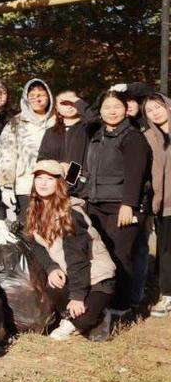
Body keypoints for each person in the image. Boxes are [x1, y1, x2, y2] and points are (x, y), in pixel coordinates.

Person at [22, 160, 116, 340]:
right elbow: (34, 244)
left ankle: (98, 314)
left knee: (83, 321)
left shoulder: (70, 214)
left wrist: (78, 297)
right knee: (51, 285)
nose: (42, 183)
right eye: (39, 178)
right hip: (71, 273)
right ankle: (81, 315)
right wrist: (51, 268)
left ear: (60, 183)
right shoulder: (36, 209)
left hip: (97, 277)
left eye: (49, 179)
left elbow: (77, 259)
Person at [83, 89, 150, 314]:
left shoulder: (132, 137)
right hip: (96, 202)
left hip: (121, 205)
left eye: (117, 106)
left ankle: (122, 305)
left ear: (126, 109)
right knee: (103, 253)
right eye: (107, 107)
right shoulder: (96, 134)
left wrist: (128, 205)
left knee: (121, 255)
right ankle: (105, 301)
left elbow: (136, 175)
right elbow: (87, 116)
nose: (112, 111)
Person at [0, 78, 55, 217]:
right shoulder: (15, 124)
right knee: (28, 234)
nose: (37, 99)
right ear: (26, 99)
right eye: (32, 96)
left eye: (41, 95)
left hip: (54, 189)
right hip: (25, 187)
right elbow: (7, 156)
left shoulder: (57, 121)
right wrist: (6, 187)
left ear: (49, 96)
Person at [142, 94, 171, 316]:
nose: (155, 112)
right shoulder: (149, 137)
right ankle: (167, 294)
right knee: (166, 250)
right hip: (165, 204)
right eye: (150, 110)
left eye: (158, 107)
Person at [37, 89, 94, 196]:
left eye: (72, 101)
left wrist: (77, 101)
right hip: (55, 190)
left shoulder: (89, 128)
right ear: (56, 108)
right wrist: (59, 165)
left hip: (83, 190)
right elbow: (41, 159)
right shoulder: (51, 132)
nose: (69, 105)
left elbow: (95, 118)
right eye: (64, 103)